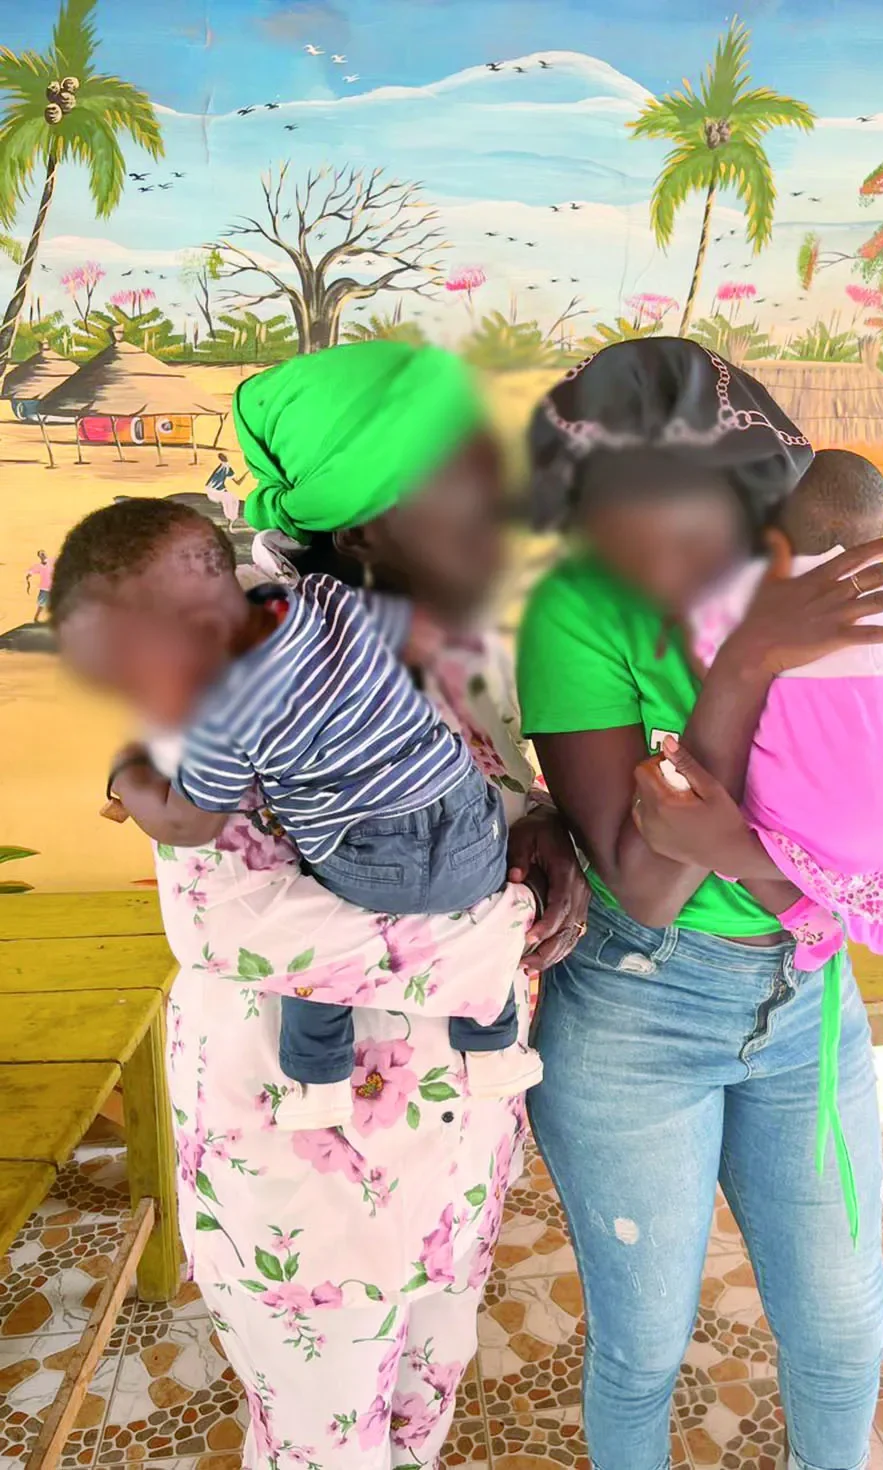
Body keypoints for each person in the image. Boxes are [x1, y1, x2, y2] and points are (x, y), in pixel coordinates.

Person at [94, 341, 590, 1469]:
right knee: (321, 1445)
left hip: (456, 1134)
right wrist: (503, 928)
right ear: (367, 523)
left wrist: (543, 823)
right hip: (302, 1153)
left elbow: (491, 795)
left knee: (423, 1405)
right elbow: (228, 921)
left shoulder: (461, 636)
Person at [516, 338, 883, 1470]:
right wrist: (746, 664)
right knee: (644, 1348)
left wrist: (736, 851)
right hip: (638, 1016)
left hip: (808, 1007)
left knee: (842, 1328)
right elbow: (647, 885)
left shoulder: (828, 578)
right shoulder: (576, 610)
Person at [50, 495, 541, 1126]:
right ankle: (496, 1050)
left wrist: (130, 776)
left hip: (371, 856)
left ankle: (322, 1081)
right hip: (469, 819)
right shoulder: (324, 598)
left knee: (320, 952)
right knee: (479, 909)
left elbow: (189, 822)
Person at [687, 447, 883, 962]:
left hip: (817, 823)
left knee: (729, 826)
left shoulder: (755, 588)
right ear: (879, 532)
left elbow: (711, 657)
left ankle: (803, 918)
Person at [204, 451, 241, 527]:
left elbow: (237, 482)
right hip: (214, 489)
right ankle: (230, 520)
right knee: (230, 500)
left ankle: (230, 521)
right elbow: (238, 482)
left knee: (232, 499)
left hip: (216, 489)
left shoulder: (225, 467)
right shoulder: (225, 467)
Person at [25, 548, 53, 623]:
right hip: (44, 588)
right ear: (39, 556)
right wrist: (28, 576)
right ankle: (36, 618)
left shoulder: (52, 561)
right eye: (41, 554)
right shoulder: (38, 566)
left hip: (53, 587)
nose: (43, 555)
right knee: (41, 604)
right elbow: (31, 571)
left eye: (44, 553)